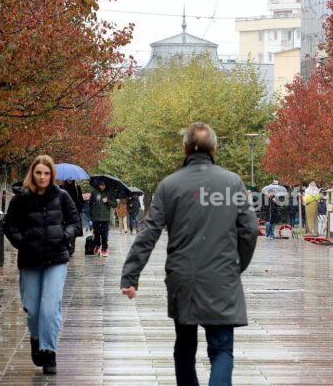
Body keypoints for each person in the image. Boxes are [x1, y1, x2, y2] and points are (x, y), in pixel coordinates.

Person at [120, 122, 258, 386]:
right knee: (221, 350)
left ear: (184, 149)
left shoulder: (169, 186)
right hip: (221, 277)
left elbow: (149, 233)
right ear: (215, 149)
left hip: (183, 279)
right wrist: (236, 265)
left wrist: (130, 275)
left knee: (184, 348)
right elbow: (250, 231)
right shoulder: (232, 183)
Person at [2, 155, 80, 374]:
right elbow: (9, 226)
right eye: (39, 172)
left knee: (50, 307)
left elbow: (75, 222)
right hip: (30, 260)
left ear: (51, 174)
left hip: (56, 258)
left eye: (46, 173)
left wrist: (65, 236)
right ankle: (36, 338)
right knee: (33, 310)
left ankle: (49, 352)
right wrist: (23, 242)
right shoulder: (21, 198)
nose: (43, 177)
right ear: (32, 174)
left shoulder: (62, 196)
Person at [90, 181, 116, 256]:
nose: (102, 186)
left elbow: (114, 204)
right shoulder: (94, 192)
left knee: (105, 234)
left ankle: (104, 249)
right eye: (101, 185)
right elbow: (91, 204)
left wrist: (107, 201)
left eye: (103, 185)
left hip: (105, 217)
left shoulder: (109, 193)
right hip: (96, 216)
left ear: (106, 185)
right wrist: (90, 216)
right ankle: (97, 245)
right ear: (98, 185)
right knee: (97, 233)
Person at [59, 179, 84, 255]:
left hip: (74, 212)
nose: (69, 180)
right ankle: (65, 248)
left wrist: (78, 208)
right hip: (63, 213)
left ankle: (71, 249)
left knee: (73, 230)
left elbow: (81, 200)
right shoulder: (61, 187)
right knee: (63, 230)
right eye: (68, 179)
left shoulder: (77, 188)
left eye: (71, 179)